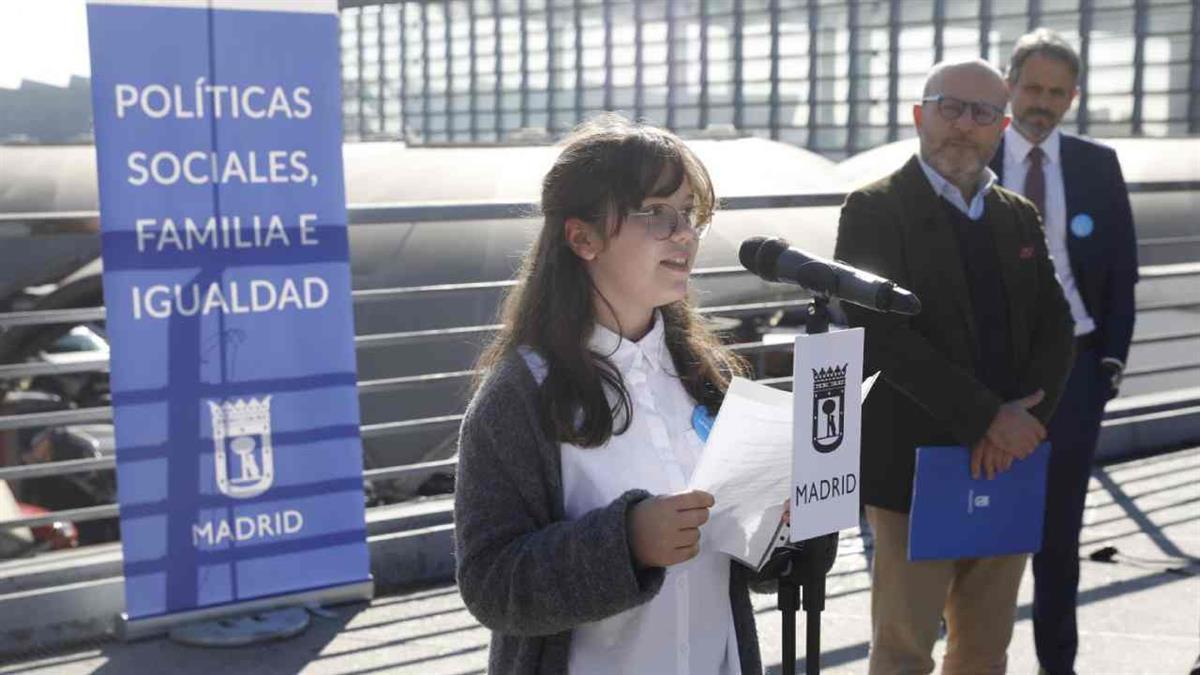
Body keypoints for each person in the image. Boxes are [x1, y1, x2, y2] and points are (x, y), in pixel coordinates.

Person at [454, 113, 764, 674]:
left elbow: (747, 562)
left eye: (689, 215)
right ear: (582, 238)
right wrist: (627, 544)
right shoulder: (518, 395)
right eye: (657, 214)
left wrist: (783, 524)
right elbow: (490, 584)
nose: (686, 234)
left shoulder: (708, 374)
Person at [834, 59, 1075, 674]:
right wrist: (987, 420)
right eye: (950, 108)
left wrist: (1024, 426)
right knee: (904, 648)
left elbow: (1057, 327)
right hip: (914, 469)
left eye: (982, 113)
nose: (963, 126)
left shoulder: (1017, 214)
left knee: (986, 651)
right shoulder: (874, 209)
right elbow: (880, 337)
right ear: (920, 115)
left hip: (1005, 466)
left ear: (1002, 126)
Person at [989, 29, 1140, 675]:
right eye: (1032, 88)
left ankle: (1059, 665)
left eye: (1056, 92)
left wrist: (1109, 364)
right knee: (975, 528)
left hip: (1076, 371)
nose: (1042, 103)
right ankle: (967, 658)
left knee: (1060, 535)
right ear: (1009, 86)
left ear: (1072, 97)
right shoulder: (972, 153)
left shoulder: (1095, 164)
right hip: (988, 374)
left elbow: (1122, 271)